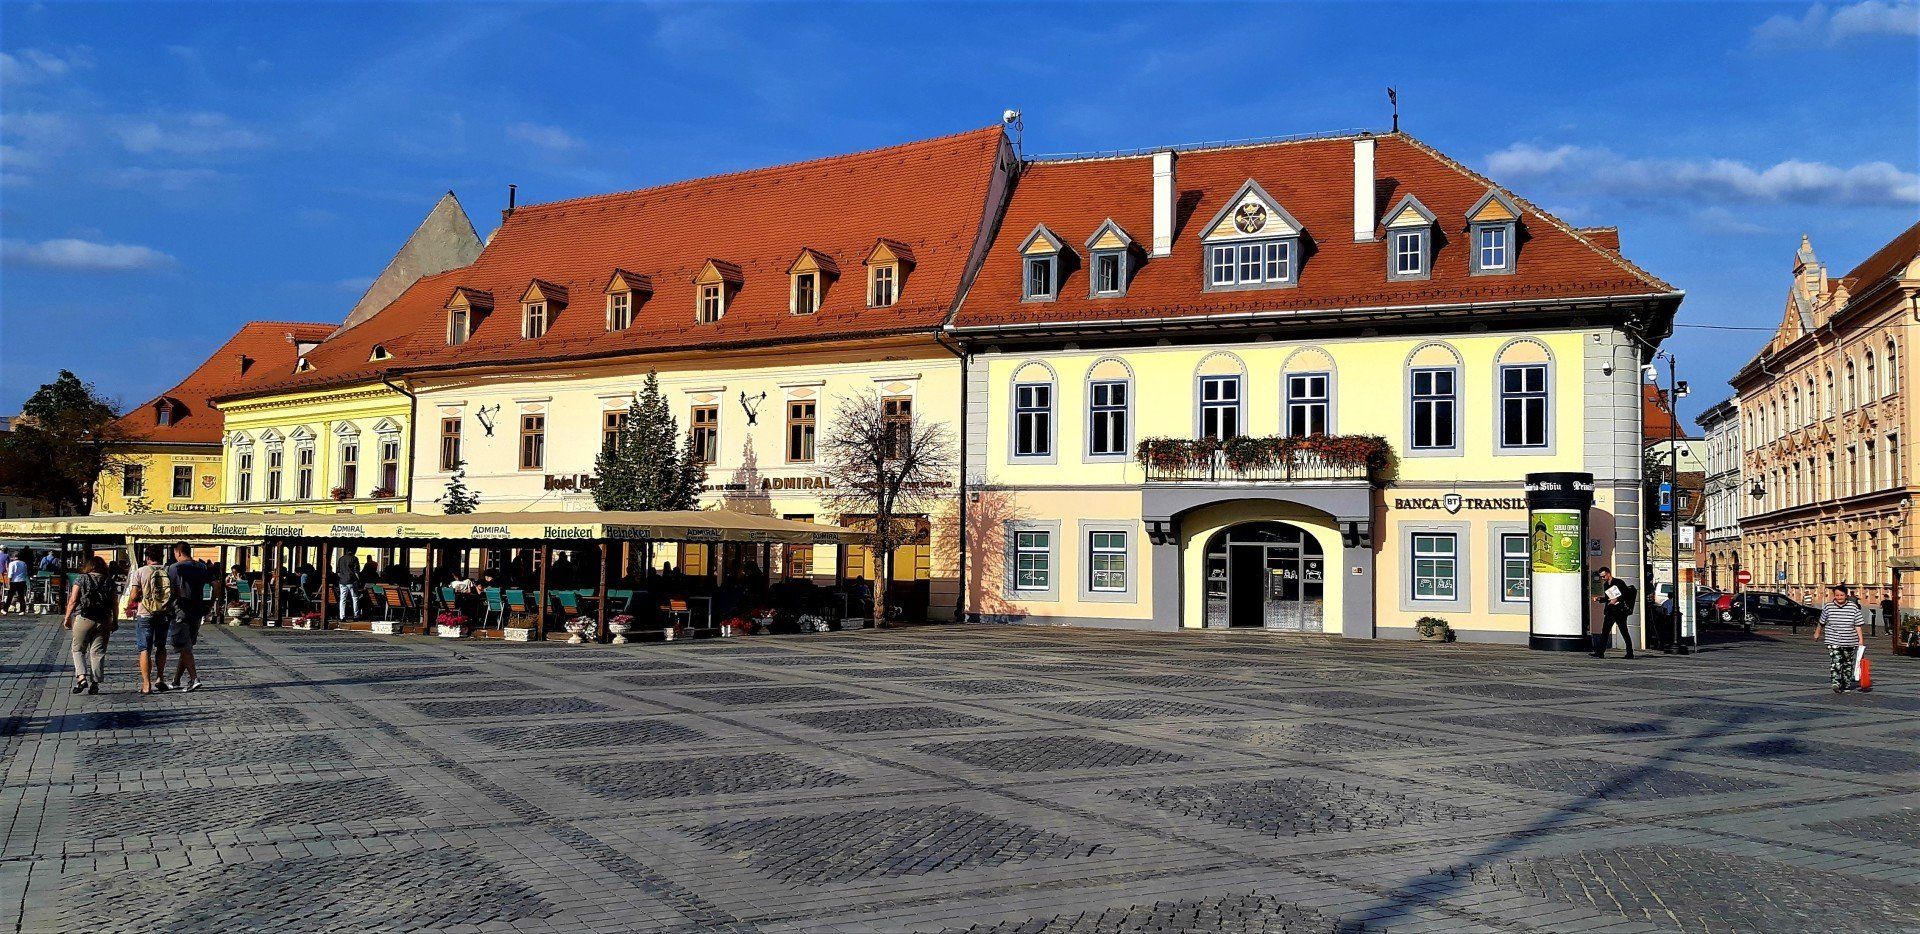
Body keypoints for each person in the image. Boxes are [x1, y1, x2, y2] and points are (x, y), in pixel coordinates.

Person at [121, 545, 175, 694]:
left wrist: (138, 598)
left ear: (147, 557)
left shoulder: (140, 571)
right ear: (162, 556)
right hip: (164, 613)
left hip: (145, 613)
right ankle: (160, 678)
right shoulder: (168, 571)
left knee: (145, 648)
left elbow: (133, 595)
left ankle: (146, 684)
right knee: (161, 646)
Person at [62, 556, 115, 694]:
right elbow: (114, 603)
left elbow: (73, 600)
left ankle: (81, 678)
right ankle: (95, 684)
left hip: (84, 617)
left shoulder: (82, 578)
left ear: (89, 566)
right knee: (98, 652)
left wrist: (67, 617)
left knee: (78, 649)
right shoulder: (109, 581)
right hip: (104, 619)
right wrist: (115, 620)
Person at [166, 542, 211, 692]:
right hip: (197, 611)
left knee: (183, 647)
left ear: (178, 552)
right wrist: (210, 604)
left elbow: (172, 589)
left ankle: (194, 679)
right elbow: (216, 585)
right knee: (187, 647)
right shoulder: (201, 567)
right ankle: (176, 680)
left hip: (180, 611)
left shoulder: (174, 568)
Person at [1816, 584, 1865, 693]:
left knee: (1847, 663)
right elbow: (1822, 622)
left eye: (1841, 595)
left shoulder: (1853, 607)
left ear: (1846, 595)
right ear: (1834, 595)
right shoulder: (1828, 607)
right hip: (1833, 639)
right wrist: (1817, 633)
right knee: (1836, 661)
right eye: (1837, 595)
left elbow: (1858, 624)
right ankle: (1836, 683)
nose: (1839, 597)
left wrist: (1860, 639)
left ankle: (1846, 684)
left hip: (1850, 640)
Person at [1590, 566, 1636, 659]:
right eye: (1601, 577)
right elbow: (1608, 598)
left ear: (1608, 573)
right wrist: (1599, 599)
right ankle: (1600, 652)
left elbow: (1626, 594)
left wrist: (1617, 599)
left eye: (1603, 576)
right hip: (1610, 610)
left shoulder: (1618, 582)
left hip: (1620, 611)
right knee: (1605, 632)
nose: (1602, 579)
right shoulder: (1606, 585)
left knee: (1624, 631)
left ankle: (1630, 653)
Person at [334, 548, 361, 619]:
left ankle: (342, 616)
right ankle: (356, 615)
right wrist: (359, 580)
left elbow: (338, 572)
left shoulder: (341, 559)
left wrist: (342, 577)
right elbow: (356, 572)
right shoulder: (354, 558)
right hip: (352, 581)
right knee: (355, 598)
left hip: (342, 582)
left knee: (343, 599)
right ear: (354, 551)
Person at [4, 550, 28, 614]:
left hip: (14, 581)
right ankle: (22, 610)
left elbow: (10, 574)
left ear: (14, 557)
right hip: (22, 581)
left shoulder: (12, 563)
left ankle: (5, 609)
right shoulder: (24, 563)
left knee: (10, 596)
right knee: (21, 596)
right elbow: (25, 573)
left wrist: (8, 583)